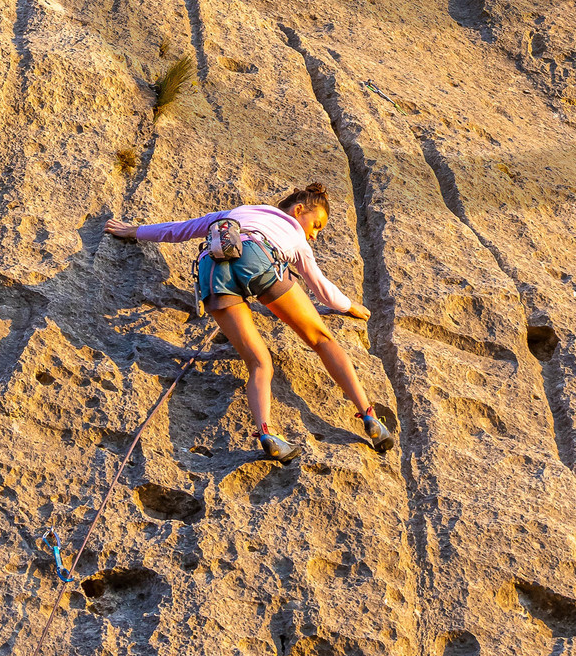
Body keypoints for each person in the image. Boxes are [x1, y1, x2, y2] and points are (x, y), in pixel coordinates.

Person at [106, 181, 393, 463]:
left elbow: (180, 229)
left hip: (212, 269)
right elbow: (320, 287)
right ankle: (370, 417)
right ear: (298, 210)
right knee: (321, 339)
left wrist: (133, 231)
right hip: (258, 256)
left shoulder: (238, 212)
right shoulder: (295, 234)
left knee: (259, 362)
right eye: (316, 225)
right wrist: (348, 305)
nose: (314, 235)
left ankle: (267, 433)